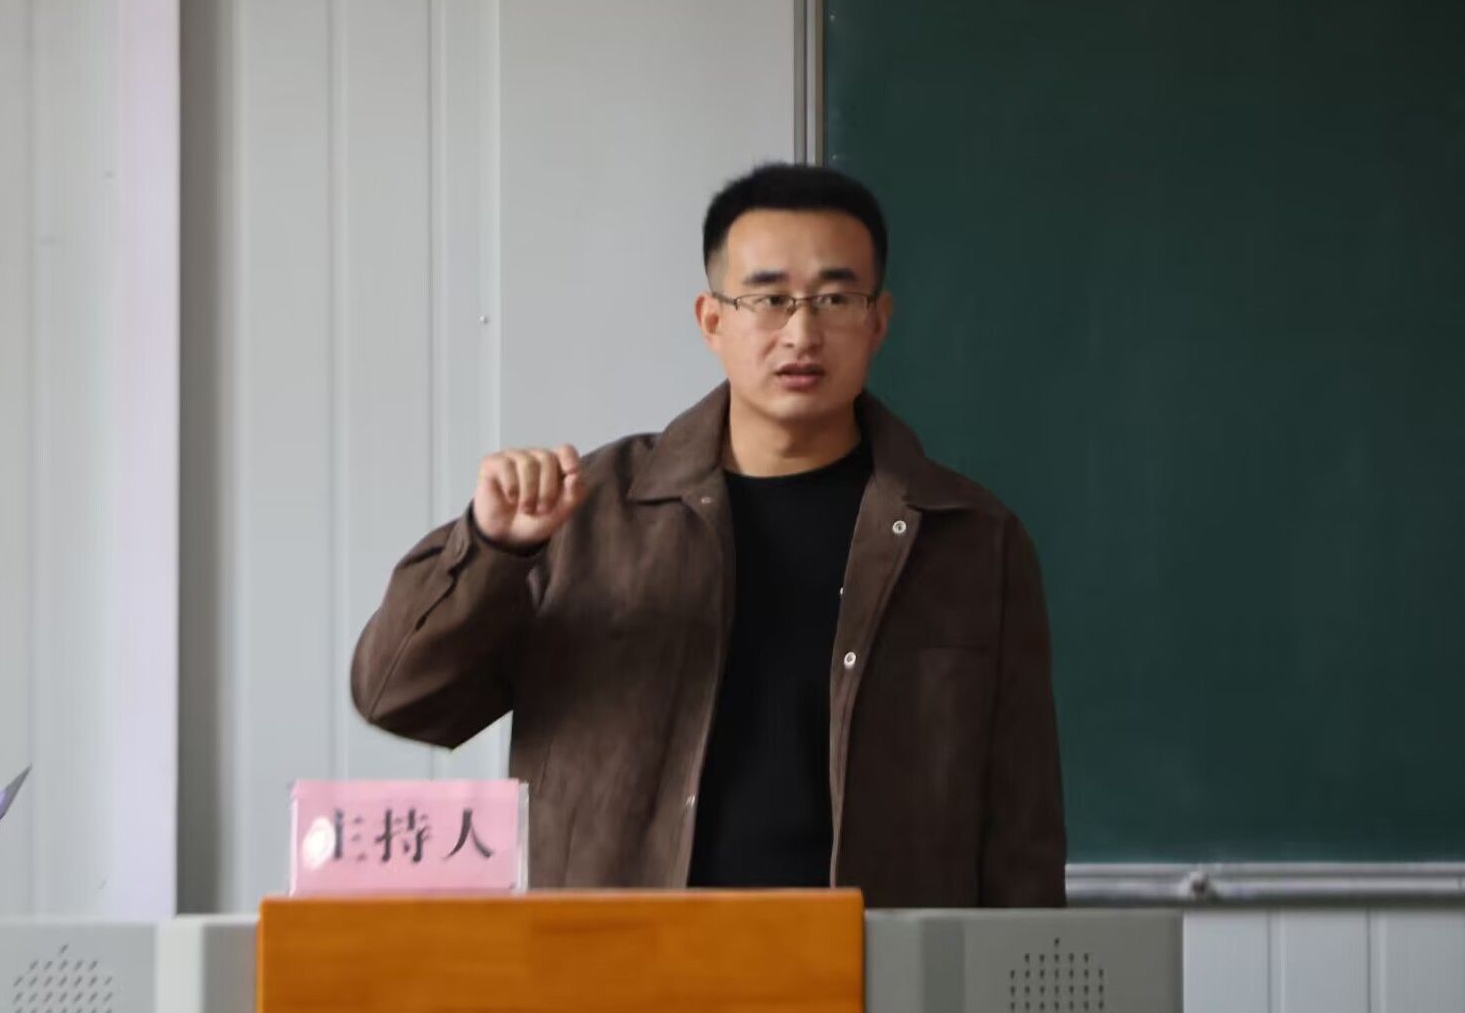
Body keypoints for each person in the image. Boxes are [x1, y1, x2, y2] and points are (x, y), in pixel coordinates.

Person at [351, 163, 1065, 906]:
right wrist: (493, 548)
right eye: (768, 299)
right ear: (712, 320)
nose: (801, 333)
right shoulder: (587, 511)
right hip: (623, 960)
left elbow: (1022, 829)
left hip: (878, 964)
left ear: (878, 321)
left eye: (834, 299)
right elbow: (400, 698)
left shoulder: (970, 540)